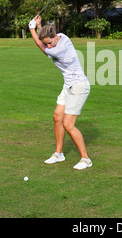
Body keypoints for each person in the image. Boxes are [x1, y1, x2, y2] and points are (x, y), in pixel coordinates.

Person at [29, 15, 92, 170]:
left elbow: (40, 46)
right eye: (48, 44)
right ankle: (59, 154)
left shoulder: (61, 49)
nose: (49, 46)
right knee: (57, 117)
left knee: (68, 124)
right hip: (68, 85)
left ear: (56, 37)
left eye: (51, 43)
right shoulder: (62, 37)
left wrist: (31, 28)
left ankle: (86, 159)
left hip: (78, 87)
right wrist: (39, 26)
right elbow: (44, 39)